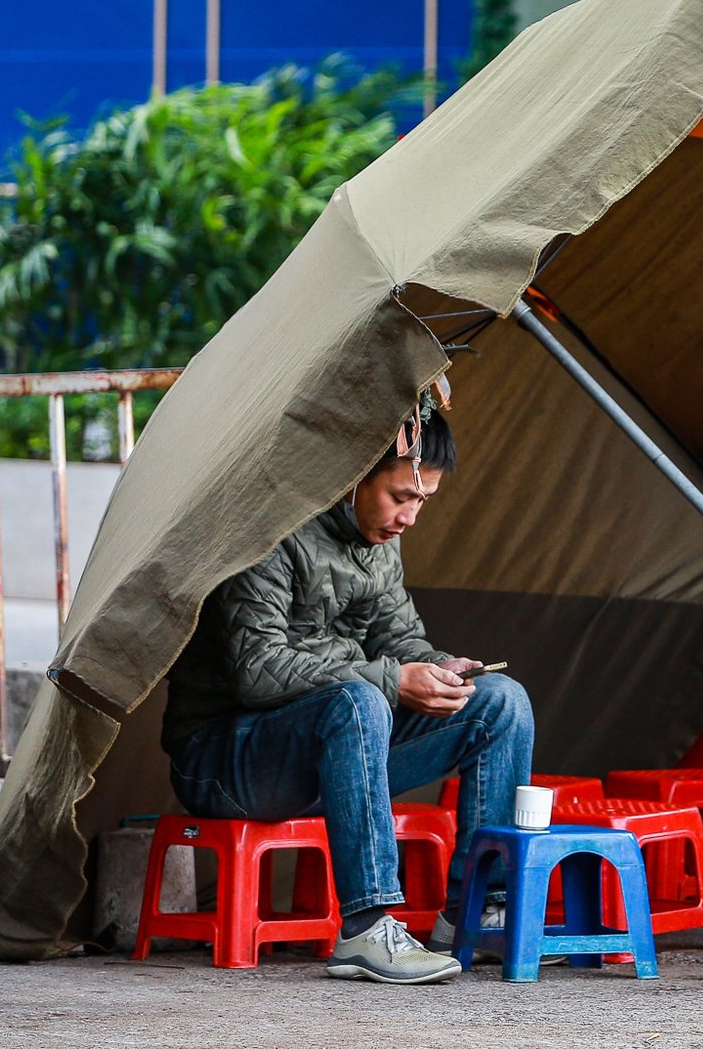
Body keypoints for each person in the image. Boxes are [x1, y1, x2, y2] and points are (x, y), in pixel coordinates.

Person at [161, 404, 533, 985]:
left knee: (499, 701)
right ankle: (368, 926)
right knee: (358, 702)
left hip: (334, 750)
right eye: (400, 496)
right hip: (225, 762)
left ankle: (477, 915)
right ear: (353, 474)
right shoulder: (267, 532)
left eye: (422, 502)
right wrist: (391, 680)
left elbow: (401, 640)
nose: (409, 517)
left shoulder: (379, 541)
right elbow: (256, 669)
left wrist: (437, 668)